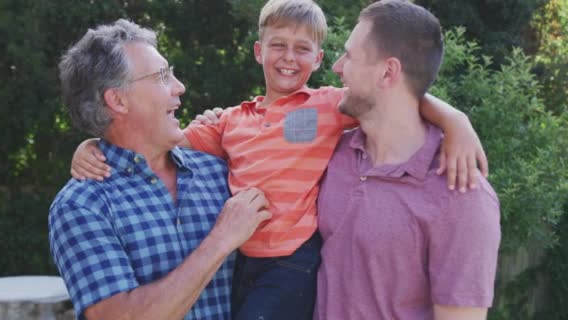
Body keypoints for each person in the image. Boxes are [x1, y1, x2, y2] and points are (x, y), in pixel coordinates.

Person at [70, 1, 488, 319]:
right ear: (258, 50)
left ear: (318, 59)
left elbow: (392, 96)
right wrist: (95, 142)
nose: (290, 57)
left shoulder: (327, 106)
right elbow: (159, 144)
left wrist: (456, 119)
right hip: (243, 261)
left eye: (303, 49)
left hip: (293, 261)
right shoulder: (231, 121)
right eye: (279, 46)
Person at [49, 19, 272, 320]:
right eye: (162, 76)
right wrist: (221, 239)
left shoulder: (220, 170)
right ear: (117, 100)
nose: (180, 87)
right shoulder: (81, 205)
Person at [315, 1, 501, 319]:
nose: (337, 66)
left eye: (349, 55)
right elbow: (263, 126)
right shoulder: (334, 147)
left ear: (388, 72)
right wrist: (454, 117)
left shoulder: (462, 195)